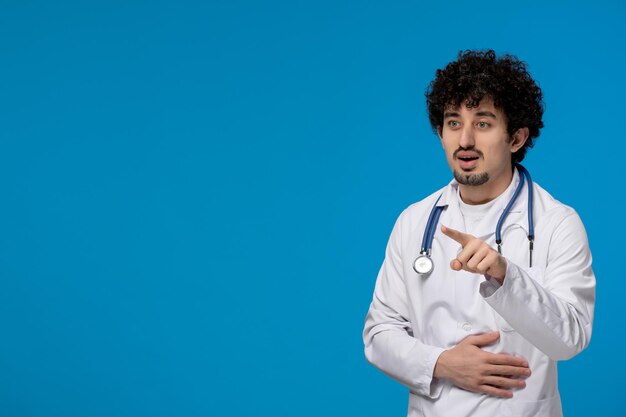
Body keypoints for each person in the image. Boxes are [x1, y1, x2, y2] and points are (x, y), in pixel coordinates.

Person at [362, 50, 596, 417]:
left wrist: (507, 276)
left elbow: (570, 340)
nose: (465, 140)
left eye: (483, 123)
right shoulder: (414, 221)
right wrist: (441, 363)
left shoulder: (556, 222)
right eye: (453, 123)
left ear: (516, 138)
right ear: (440, 133)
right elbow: (379, 334)